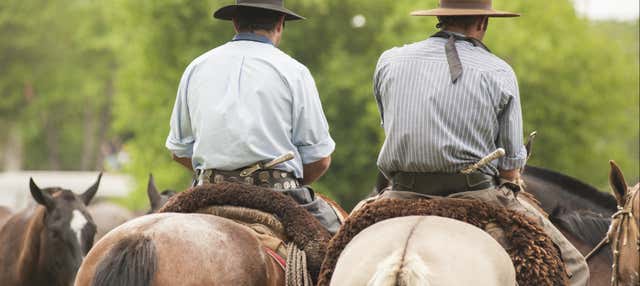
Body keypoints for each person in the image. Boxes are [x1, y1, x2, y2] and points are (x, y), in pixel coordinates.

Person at [372, 0, 589, 284]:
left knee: (334, 249)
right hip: (476, 193)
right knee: (576, 268)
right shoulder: (498, 71)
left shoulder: (390, 61)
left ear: (440, 18)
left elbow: (388, 122)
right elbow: (510, 167)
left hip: (401, 191)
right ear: (483, 22)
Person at [165, 0, 340, 233]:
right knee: (337, 248)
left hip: (208, 190)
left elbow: (178, 151)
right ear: (280, 24)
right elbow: (320, 160)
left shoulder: (196, 67)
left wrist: (224, 172)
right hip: (277, 192)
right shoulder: (295, 72)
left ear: (236, 23)